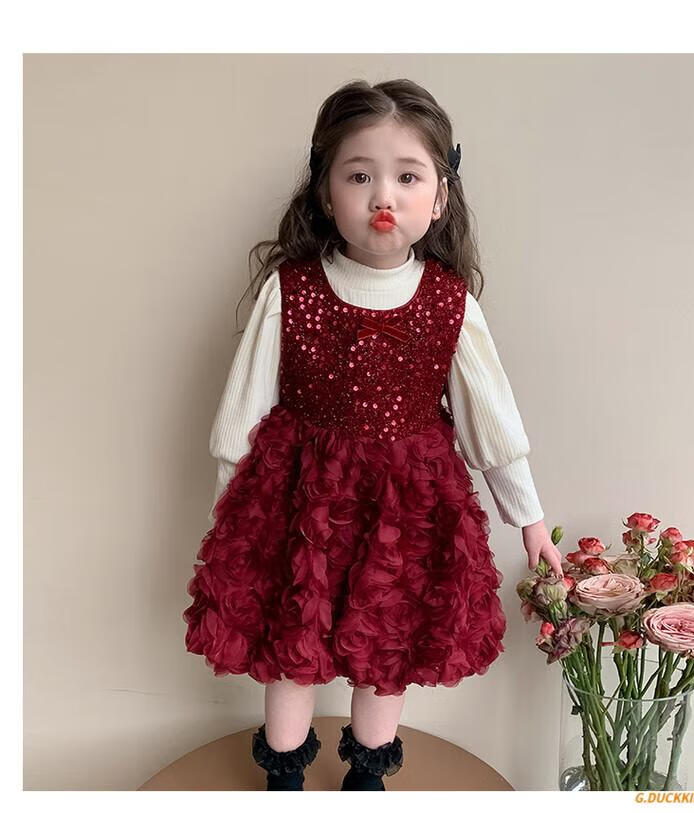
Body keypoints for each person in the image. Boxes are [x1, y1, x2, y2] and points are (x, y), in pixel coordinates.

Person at [183, 78, 563, 792]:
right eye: (359, 176)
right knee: (292, 641)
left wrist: (531, 521)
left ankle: (366, 776)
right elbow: (241, 414)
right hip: (299, 503)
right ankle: (284, 777)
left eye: (407, 176)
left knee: (387, 642)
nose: (382, 196)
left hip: (406, 509)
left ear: (440, 197)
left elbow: (493, 422)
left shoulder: (449, 303)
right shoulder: (291, 289)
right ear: (326, 192)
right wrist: (230, 515)